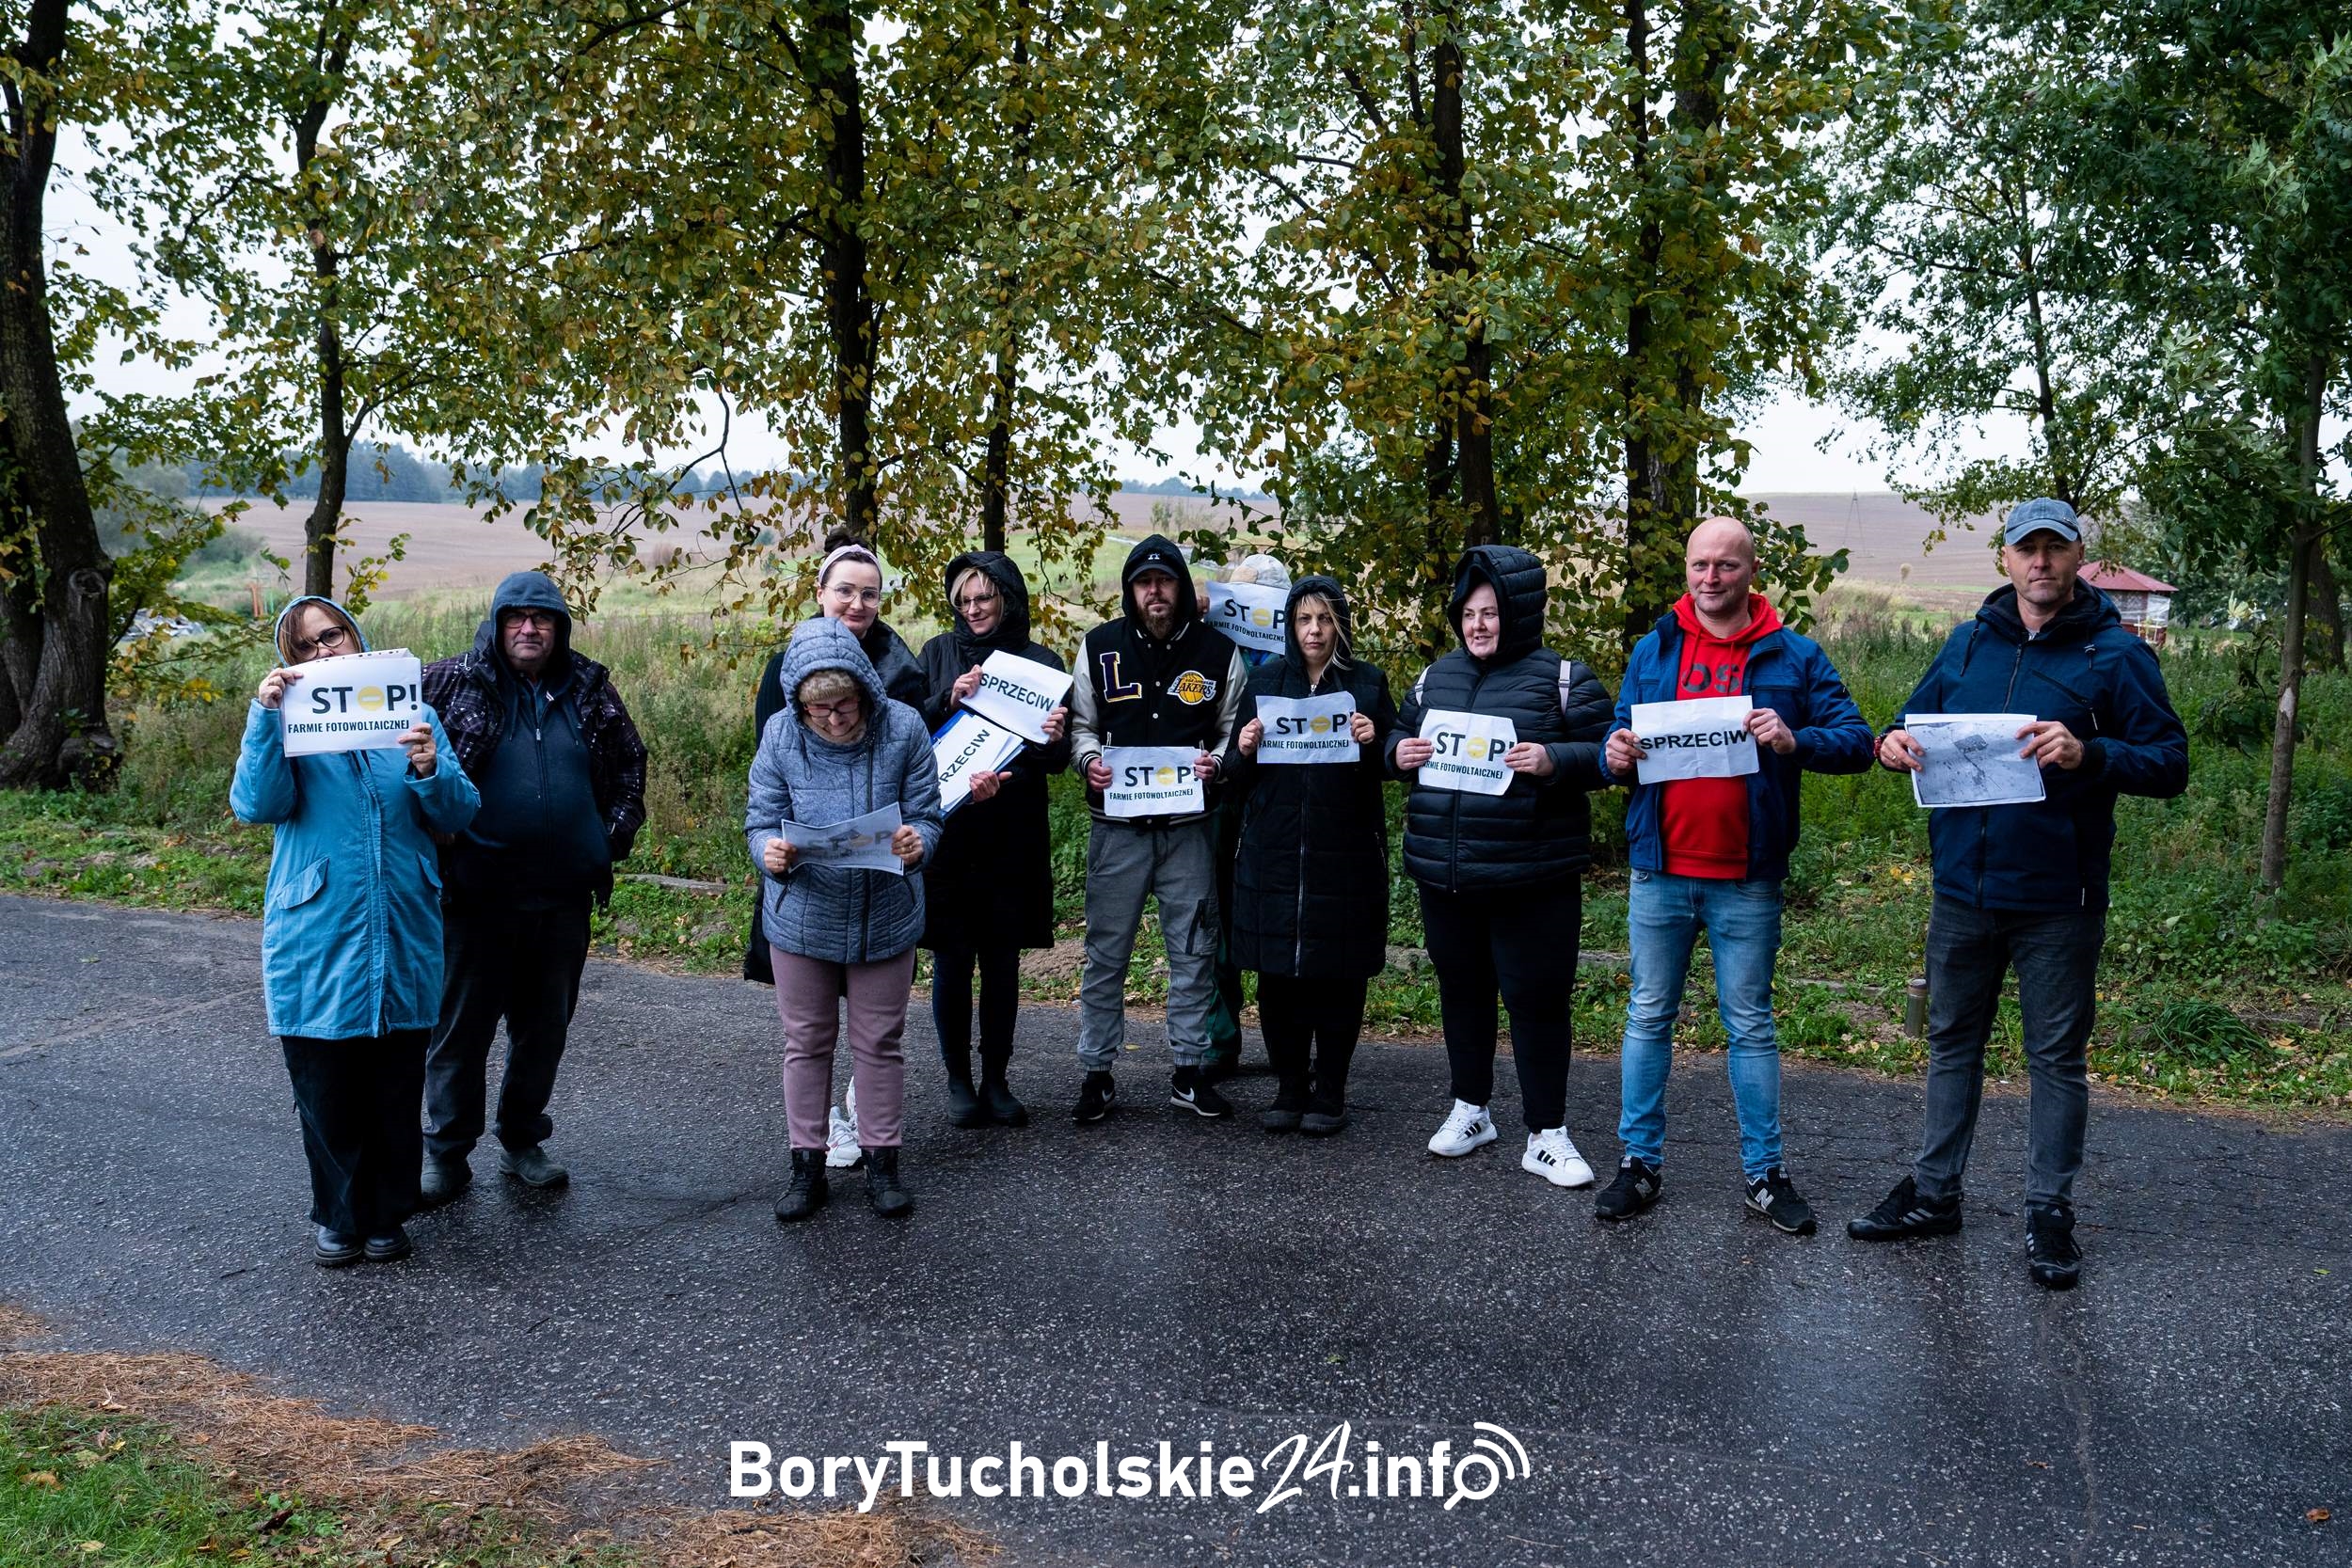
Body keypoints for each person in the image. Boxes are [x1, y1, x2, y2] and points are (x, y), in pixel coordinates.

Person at [1849, 497, 2187, 1289]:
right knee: (1951, 1043)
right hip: (1962, 888)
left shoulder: (2115, 654)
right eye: (2026, 549)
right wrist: (1891, 743)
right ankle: (1934, 1194)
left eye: (2054, 549)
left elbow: (2169, 762)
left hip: (2057, 899)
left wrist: (2091, 751)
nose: (2040, 562)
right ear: (2005, 559)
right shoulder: (1968, 643)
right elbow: (1908, 724)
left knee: (2055, 1057)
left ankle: (2049, 1212)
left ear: (2077, 559)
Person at [1595, 519, 1874, 1234]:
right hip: (1660, 869)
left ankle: (1765, 1174)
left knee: (1749, 1023)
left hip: (1747, 876)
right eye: (1699, 564)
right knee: (1648, 1014)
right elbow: (1618, 734)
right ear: (1686, 570)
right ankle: (1639, 1163)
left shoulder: (1793, 655)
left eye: (1725, 564)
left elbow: (1856, 742)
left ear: (1752, 571)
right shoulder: (1655, 647)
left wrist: (1794, 738)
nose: (1710, 576)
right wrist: (1614, 752)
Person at [230, 595, 480, 1267]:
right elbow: (256, 804)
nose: (322, 652)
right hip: (318, 932)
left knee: (396, 1084)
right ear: (290, 659)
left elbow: (458, 811)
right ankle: (340, 1217)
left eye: (330, 636)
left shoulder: (411, 713)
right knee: (328, 1087)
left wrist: (430, 766)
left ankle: (386, 1214)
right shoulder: (286, 723)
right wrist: (263, 718)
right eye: (305, 645)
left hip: (401, 927)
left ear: (353, 637)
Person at [420, 572, 647, 1202]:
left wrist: (611, 836)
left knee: (543, 1029)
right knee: (460, 1032)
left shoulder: (590, 688)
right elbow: (390, 749)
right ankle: (446, 1151)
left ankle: (522, 1137)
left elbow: (631, 762)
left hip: (563, 898)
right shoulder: (449, 681)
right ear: (497, 623)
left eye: (542, 618)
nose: (529, 628)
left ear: (560, 627)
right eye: (516, 617)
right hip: (475, 896)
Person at [1389, 546, 1613, 1188]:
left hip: (1533, 878)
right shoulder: (1436, 677)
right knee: (1462, 994)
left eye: (1490, 612)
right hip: (1447, 875)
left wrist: (1554, 762)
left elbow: (1609, 755)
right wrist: (1396, 752)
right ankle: (1471, 1108)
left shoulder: (1563, 677)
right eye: (1469, 613)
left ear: (1517, 614)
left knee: (1537, 1002)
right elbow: (1397, 744)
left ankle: (1548, 1133)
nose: (1479, 624)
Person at [748, 617, 945, 1222]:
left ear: (865, 688)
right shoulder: (781, 736)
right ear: (798, 705)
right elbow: (760, 819)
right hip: (802, 916)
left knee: (879, 1043)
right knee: (806, 1042)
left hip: (885, 914)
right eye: (820, 709)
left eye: (845, 704)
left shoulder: (905, 728)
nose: (835, 718)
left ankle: (883, 1164)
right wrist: (768, 853)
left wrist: (919, 843)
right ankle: (806, 1167)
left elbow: (929, 815)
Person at [1067, 533, 1248, 1122]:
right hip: (1116, 829)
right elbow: (1081, 725)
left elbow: (1232, 728)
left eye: (1164, 581)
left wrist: (1217, 764)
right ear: (1130, 591)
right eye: (1143, 583)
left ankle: (1190, 1071)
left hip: (1189, 829)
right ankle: (1097, 1072)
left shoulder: (1219, 653)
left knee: (1193, 950)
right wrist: (1087, 760)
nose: (1154, 592)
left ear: (1181, 587)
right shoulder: (1099, 647)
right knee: (1106, 952)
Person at [1226, 576, 1397, 1135]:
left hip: (1343, 855)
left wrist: (1376, 743)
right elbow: (1233, 775)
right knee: (1279, 979)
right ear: (1290, 626)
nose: (1315, 630)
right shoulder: (1264, 681)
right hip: (1274, 856)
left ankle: (1330, 1091)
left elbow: (1396, 763)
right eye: (1304, 619)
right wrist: (1245, 748)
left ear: (1340, 625)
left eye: (1325, 619)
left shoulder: (1367, 685)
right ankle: (1289, 1085)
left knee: (1339, 977)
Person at [914, 550, 1071, 1127]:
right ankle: (958, 1079)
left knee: (1002, 964)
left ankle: (998, 1078)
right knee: (952, 960)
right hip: (951, 831)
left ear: (1007, 598)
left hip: (1011, 830)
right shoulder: (936, 653)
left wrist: (1055, 737)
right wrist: (946, 698)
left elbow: (1054, 760)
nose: (975, 609)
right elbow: (910, 729)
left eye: (984, 598)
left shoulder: (1041, 661)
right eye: (964, 601)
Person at [1201, 553, 1293, 1081]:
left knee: (1278, 912)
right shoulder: (1212, 644)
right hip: (1220, 793)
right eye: (1238, 599)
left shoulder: (1303, 644)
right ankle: (1221, 1036)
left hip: (1281, 798)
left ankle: (1288, 1036)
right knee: (1217, 913)